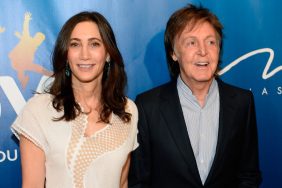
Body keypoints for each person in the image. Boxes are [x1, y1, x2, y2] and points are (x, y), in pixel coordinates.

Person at [129, 4, 261, 188]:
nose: (203, 51)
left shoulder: (242, 102)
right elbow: (139, 181)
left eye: (210, 42)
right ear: (174, 53)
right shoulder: (147, 106)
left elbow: (248, 175)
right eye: (191, 42)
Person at [11, 11, 138, 188]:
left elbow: (122, 182)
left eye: (94, 44)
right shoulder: (38, 110)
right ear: (66, 55)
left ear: (108, 54)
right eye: (75, 44)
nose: (84, 54)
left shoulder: (128, 110)